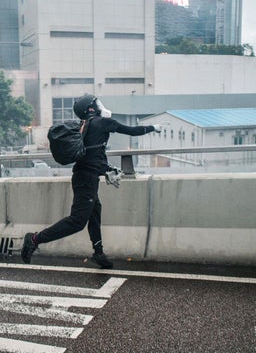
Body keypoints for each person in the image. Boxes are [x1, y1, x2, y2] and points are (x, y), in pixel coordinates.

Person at [21, 94, 161, 268]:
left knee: (95, 213)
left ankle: (99, 253)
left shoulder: (85, 126)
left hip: (84, 177)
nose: (101, 105)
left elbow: (93, 155)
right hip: (86, 179)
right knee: (77, 221)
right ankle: (34, 239)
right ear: (91, 108)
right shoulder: (102, 123)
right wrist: (153, 127)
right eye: (97, 103)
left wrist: (108, 170)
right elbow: (132, 131)